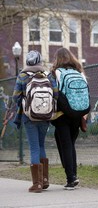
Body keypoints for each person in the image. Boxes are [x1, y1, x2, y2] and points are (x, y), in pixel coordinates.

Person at [12, 50, 58, 193]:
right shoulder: (48, 75)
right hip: (45, 116)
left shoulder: (22, 76)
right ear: (40, 61)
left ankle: (36, 184)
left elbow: (15, 97)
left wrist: (25, 101)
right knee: (41, 145)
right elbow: (55, 94)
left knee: (34, 147)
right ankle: (44, 180)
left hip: (29, 116)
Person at [51, 47, 88, 190]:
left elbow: (53, 93)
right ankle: (73, 174)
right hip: (77, 114)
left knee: (66, 145)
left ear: (57, 59)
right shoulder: (80, 73)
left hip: (62, 115)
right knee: (70, 144)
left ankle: (71, 178)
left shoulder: (56, 73)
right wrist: (83, 116)